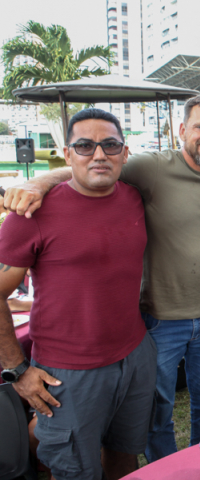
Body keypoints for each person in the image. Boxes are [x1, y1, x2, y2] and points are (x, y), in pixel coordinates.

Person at [2, 96, 200, 462]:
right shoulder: (150, 168)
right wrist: (40, 182)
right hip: (159, 319)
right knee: (157, 411)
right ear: (181, 130)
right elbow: (94, 164)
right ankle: (167, 468)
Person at [0, 108, 156, 480]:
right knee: (73, 470)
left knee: (125, 455)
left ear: (124, 152)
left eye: (110, 145)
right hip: (67, 373)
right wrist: (18, 370)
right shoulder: (30, 215)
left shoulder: (134, 197)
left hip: (134, 356)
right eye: (85, 146)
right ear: (67, 154)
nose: (99, 154)